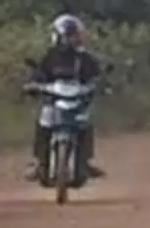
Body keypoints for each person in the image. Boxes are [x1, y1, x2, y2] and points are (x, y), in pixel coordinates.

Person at [23, 14, 106, 182]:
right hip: (53, 102)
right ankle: (39, 163)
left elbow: (95, 75)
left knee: (86, 126)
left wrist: (102, 85)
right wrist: (33, 85)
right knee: (43, 126)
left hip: (78, 102)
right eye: (70, 36)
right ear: (59, 36)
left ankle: (85, 162)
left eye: (75, 35)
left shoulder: (84, 58)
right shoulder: (50, 57)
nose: (74, 39)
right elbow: (39, 74)